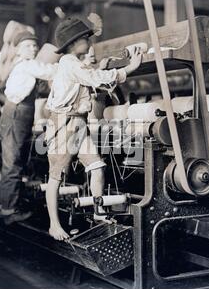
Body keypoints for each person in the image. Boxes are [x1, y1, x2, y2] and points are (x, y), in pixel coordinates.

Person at [45, 17, 142, 240]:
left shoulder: (73, 64)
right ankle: (53, 225)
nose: (89, 41)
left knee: (97, 166)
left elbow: (89, 74)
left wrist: (102, 66)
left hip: (78, 123)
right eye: (85, 38)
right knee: (56, 177)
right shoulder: (70, 63)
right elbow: (94, 78)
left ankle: (99, 213)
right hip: (64, 123)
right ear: (72, 43)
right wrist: (129, 69)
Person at [0, 30, 58, 225]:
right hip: (17, 114)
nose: (34, 48)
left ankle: (2, 205)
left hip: (17, 113)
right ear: (20, 50)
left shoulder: (20, 65)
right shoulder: (27, 65)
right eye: (28, 46)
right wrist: (72, 65)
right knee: (13, 161)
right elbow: (50, 71)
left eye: (34, 45)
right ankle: (9, 211)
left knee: (13, 161)